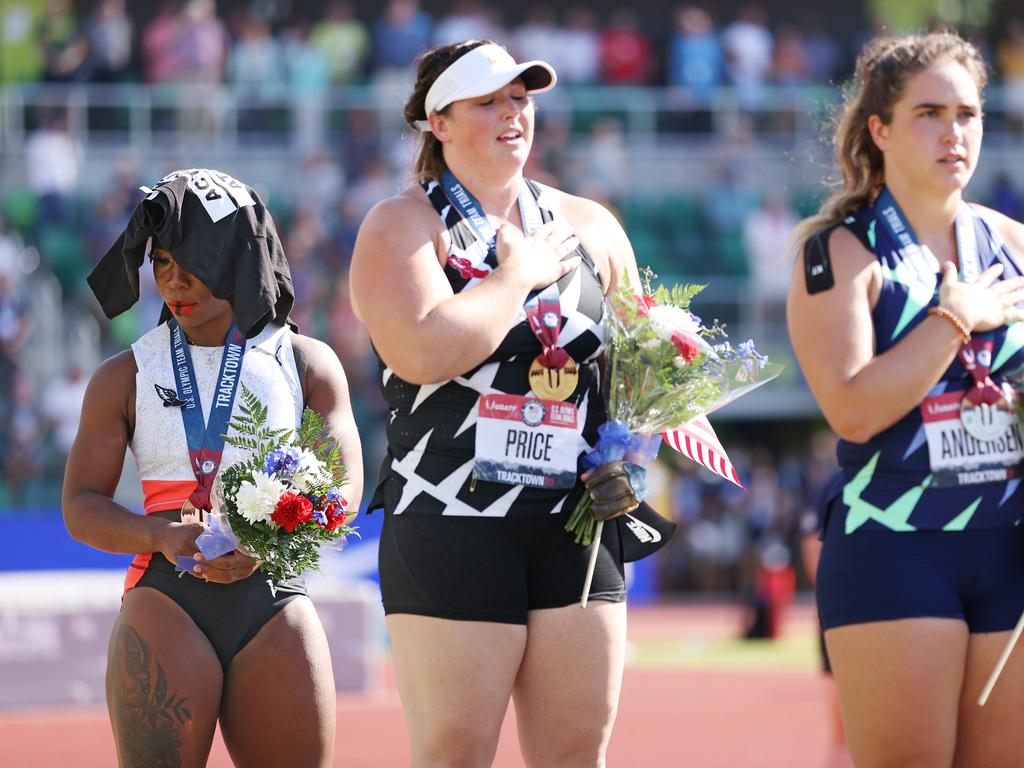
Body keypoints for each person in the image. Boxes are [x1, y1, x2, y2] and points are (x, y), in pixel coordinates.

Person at [349, 40, 659, 766]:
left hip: (574, 517)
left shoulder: (589, 225)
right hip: (452, 515)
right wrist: (513, 277)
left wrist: (633, 447)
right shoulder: (401, 225)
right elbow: (423, 351)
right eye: (488, 100)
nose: (512, 113)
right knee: (456, 753)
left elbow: (644, 368)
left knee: (577, 751)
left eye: (521, 98)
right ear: (440, 122)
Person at [63, 169, 363, 768]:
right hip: (165, 601)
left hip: (274, 598)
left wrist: (270, 544)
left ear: (238, 257)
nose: (174, 280)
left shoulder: (307, 363)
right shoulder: (123, 375)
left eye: (193, 260)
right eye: (164, 260)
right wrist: (157, 534)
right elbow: (80, 506)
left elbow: (345, 487)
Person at [787, 31, 1024, 767]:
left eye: (967, 114)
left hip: (1009, 543)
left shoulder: (1015, 243)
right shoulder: (839, 252)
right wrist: (953, 321)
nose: (953, 132)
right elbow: (853, 409)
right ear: (880, 129)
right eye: (928, 113)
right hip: (897, 542)